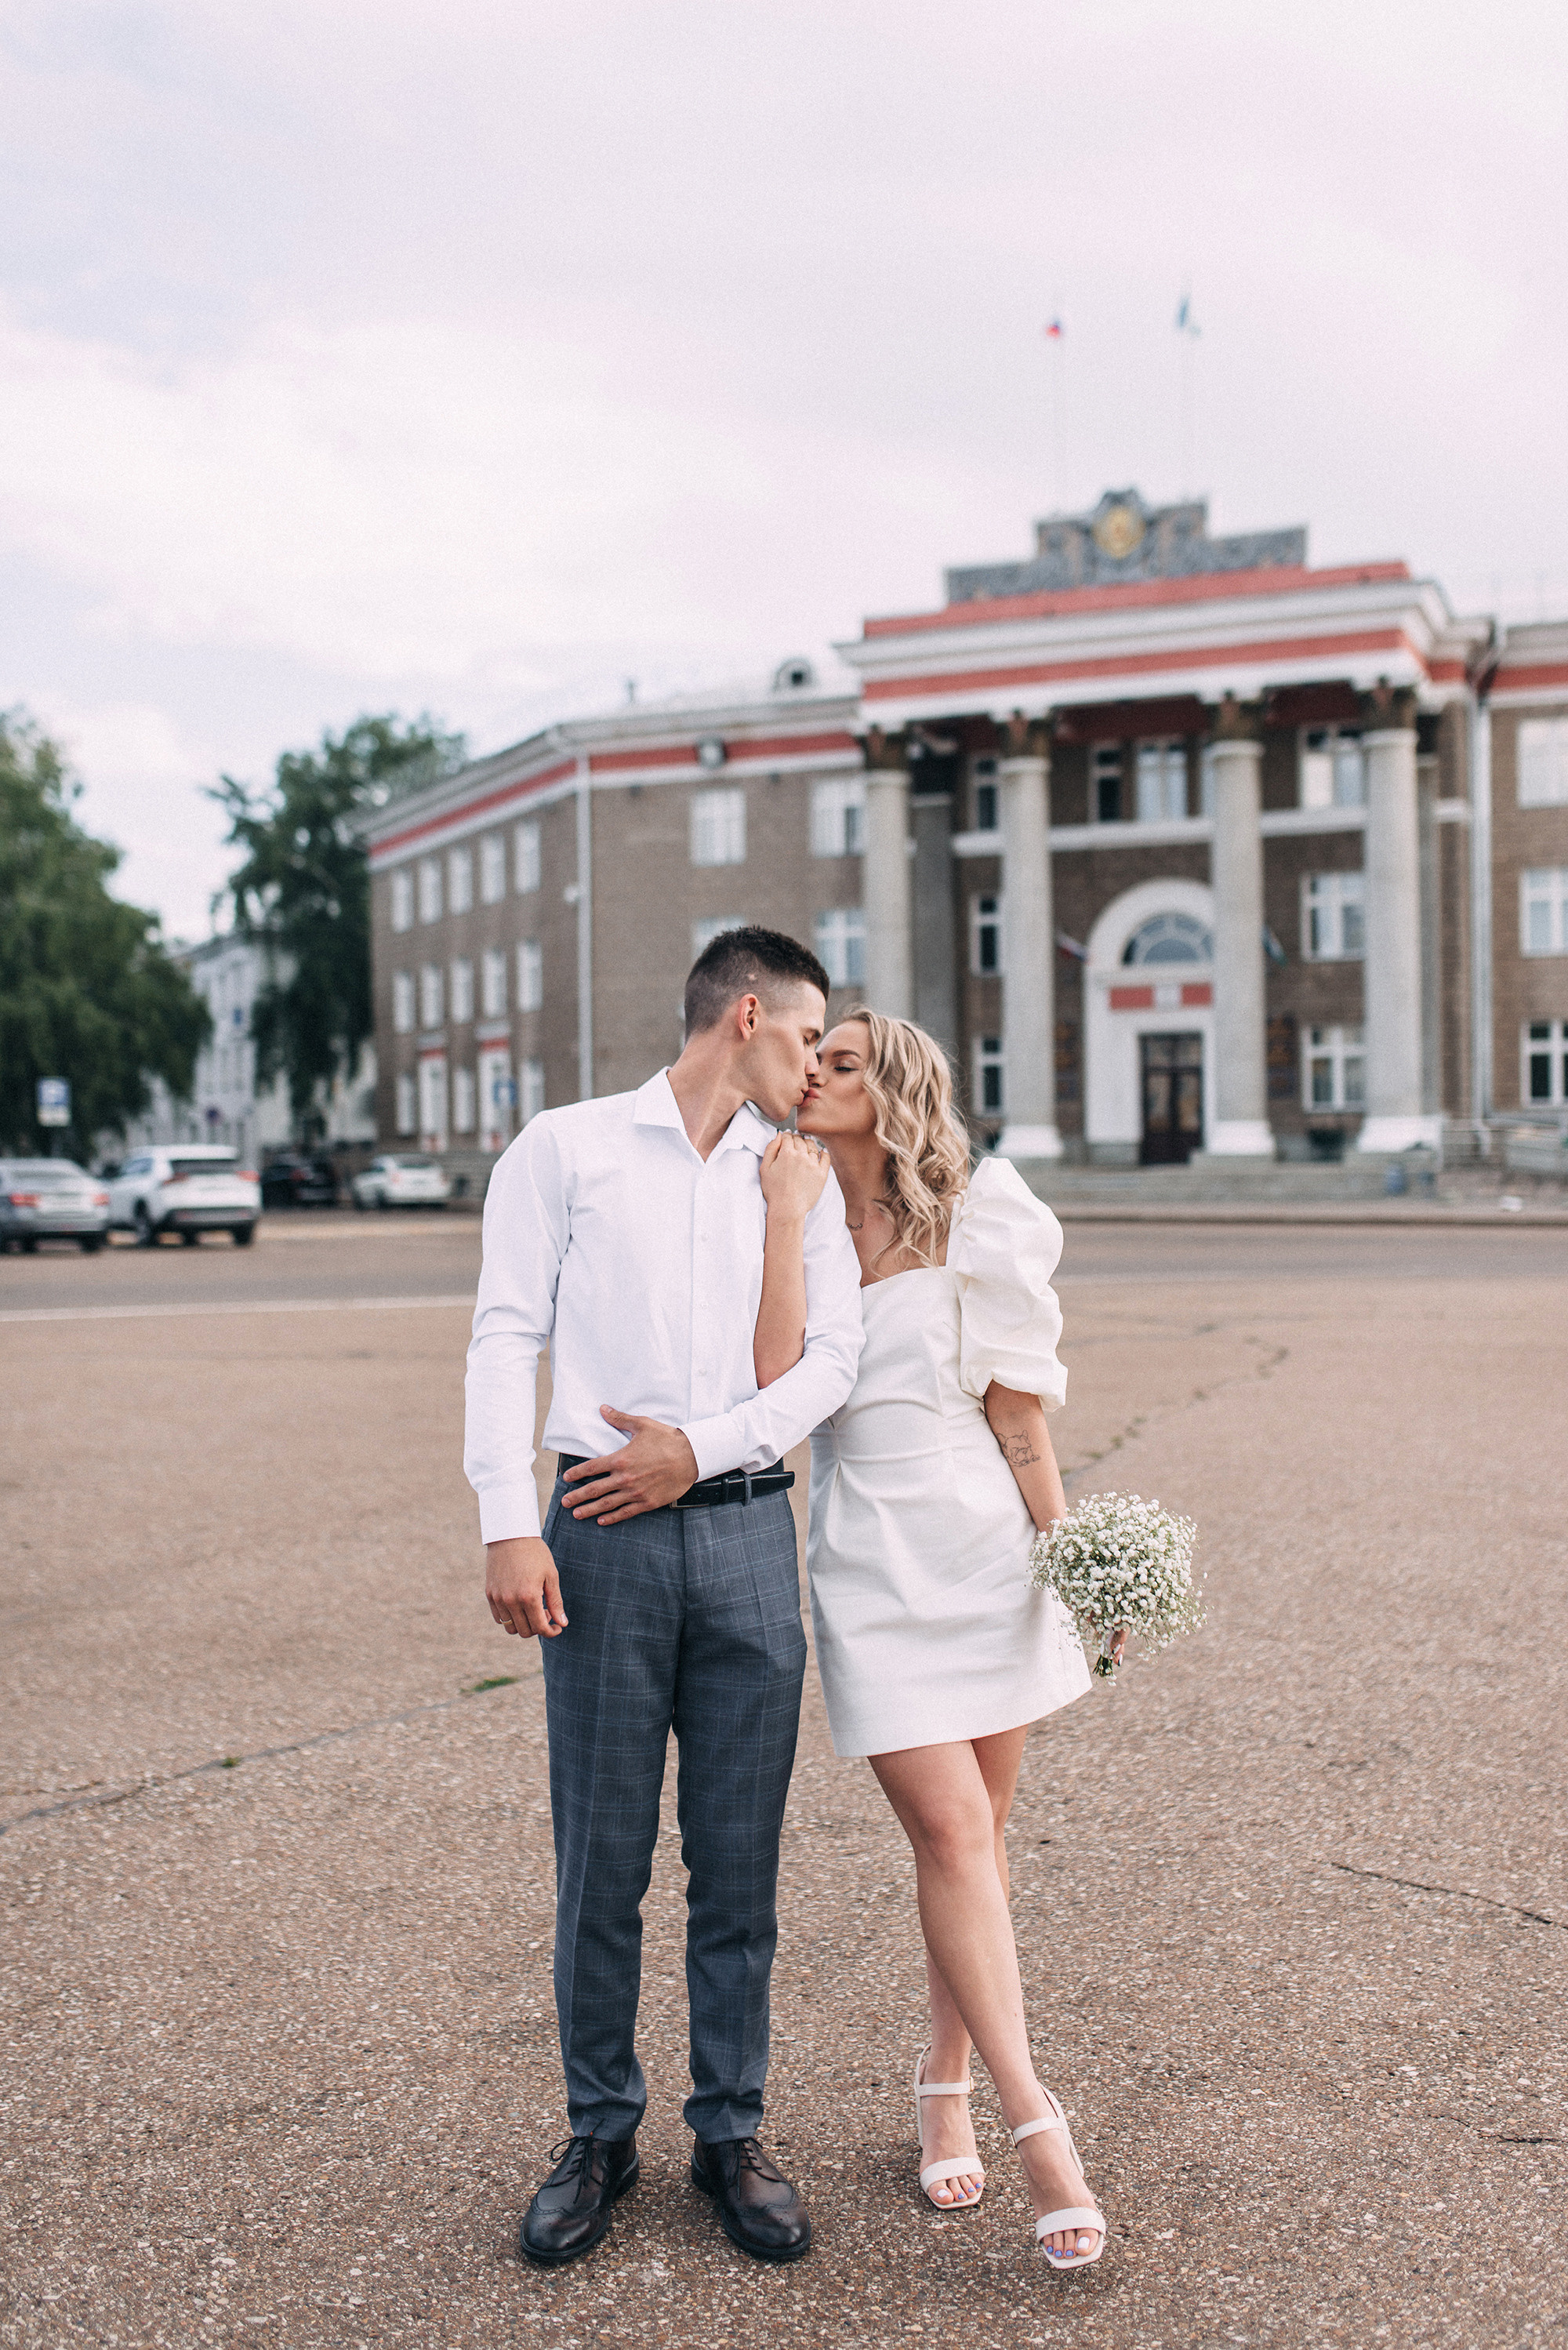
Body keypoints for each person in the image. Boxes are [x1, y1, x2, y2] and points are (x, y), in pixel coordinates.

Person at [463, 927, 862, 2269]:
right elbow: (505, 1332)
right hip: (597, 1537)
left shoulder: (797, 1178)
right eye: (806, 1036)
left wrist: (702, 1447)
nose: (816, 1067)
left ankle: (730, 2131)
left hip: (746, 1533)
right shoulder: (565, 1148)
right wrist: (506, 1520)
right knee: (603, 1856)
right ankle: (599, 2131)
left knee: (738, 1862)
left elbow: (831, 1361)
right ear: (746, 1015)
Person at [777, 1007, 1107, 2269]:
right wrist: (780, 1222)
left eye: (842, 1062)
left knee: (973, 1844)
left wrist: (1072, 1557)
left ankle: (944, 2078)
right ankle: (1041, 2131)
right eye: (812, 1058)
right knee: (955, 1832)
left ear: (897, 1087)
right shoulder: (792, 1215)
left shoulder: (979, 1216)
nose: (813, 1074)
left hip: (984, 1554)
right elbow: (770, 1383)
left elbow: (1017, 1414)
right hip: (867, 1562)